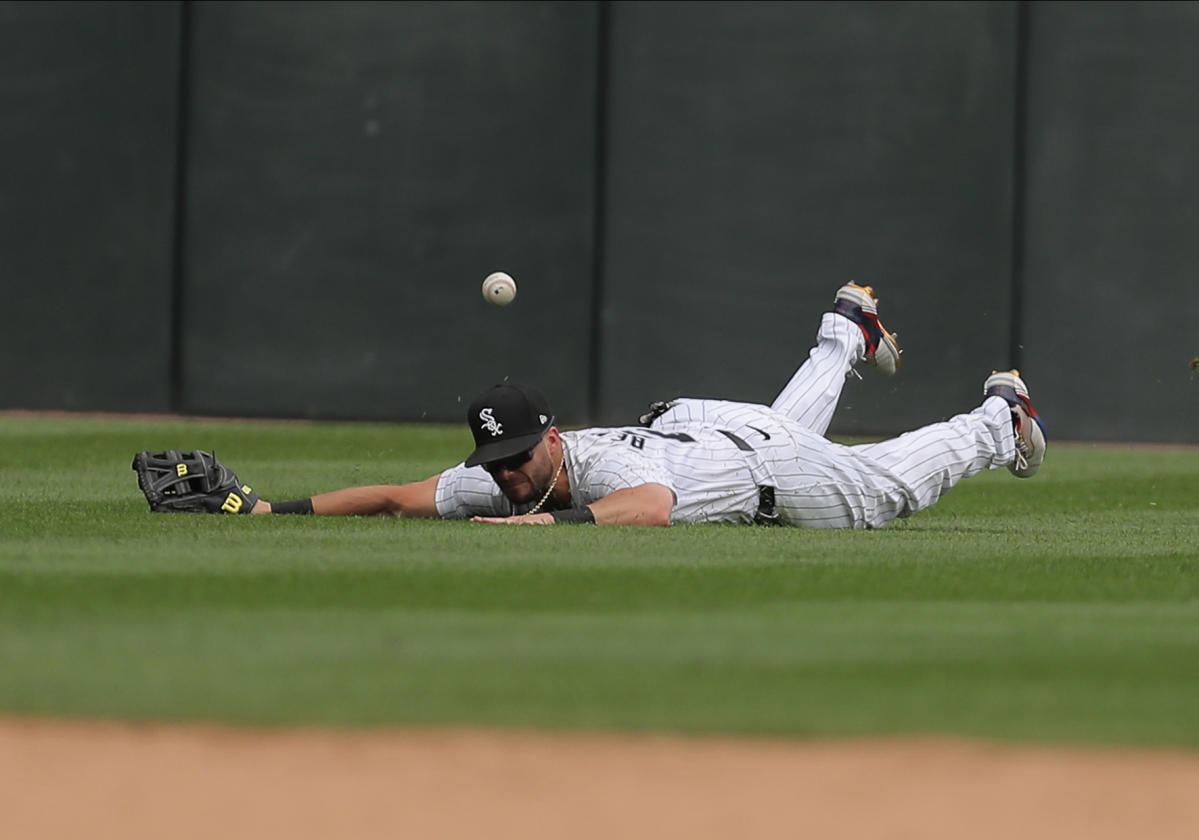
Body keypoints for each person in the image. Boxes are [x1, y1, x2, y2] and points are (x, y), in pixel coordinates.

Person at [246, 284, 1047, 528]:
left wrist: (543, 527)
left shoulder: (598, 465)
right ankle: (841, 331)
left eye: (516, 459)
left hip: (756, 462)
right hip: (707, 428)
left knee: (883, 493)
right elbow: (394, 497)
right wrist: (268, 510)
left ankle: (996, 418)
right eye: (496, 464)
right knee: (781, 421)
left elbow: (653, 503)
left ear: (551, 440)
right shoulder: (508, 473)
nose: (508, 477)